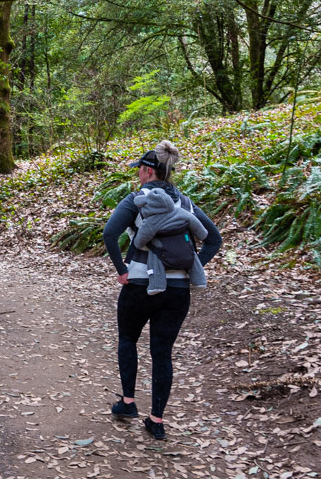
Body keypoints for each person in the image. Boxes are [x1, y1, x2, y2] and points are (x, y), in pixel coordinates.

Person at [102, 140, 222, 440]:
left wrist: (122, 270)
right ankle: (156, 420)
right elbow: (214, 240)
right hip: (178, 290)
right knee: (162, 353)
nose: (138, 176)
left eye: (139, 171)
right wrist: (192, 264)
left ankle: (128, 404)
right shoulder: (185, 202)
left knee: (128, 339)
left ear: (147, 171)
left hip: (140, 285)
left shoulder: (136, 199)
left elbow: (109, 233)